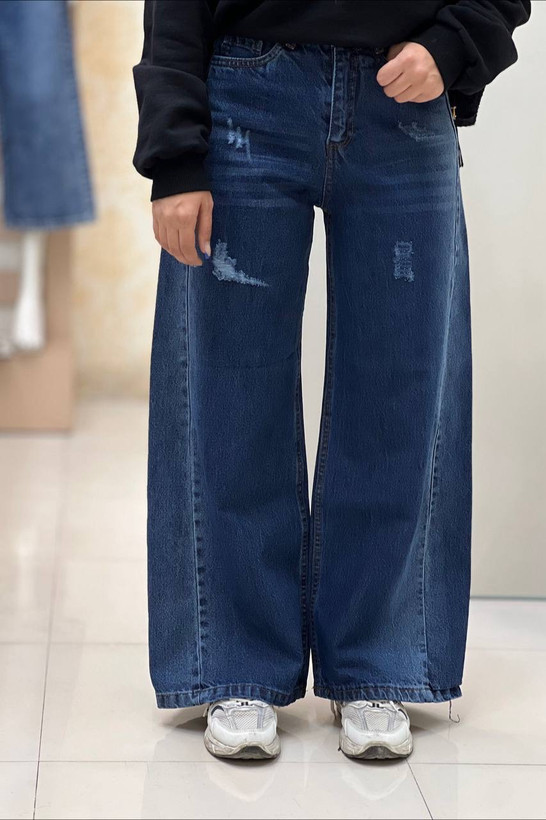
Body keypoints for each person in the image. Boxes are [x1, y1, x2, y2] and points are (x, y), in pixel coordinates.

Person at [132, 0, 530, 760]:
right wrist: (175, 152)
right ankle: (237, 663)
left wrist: (454, 44)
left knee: (401, 390)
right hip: (244, 90)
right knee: (228, 389)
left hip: (405, 99)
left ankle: (377, 661)